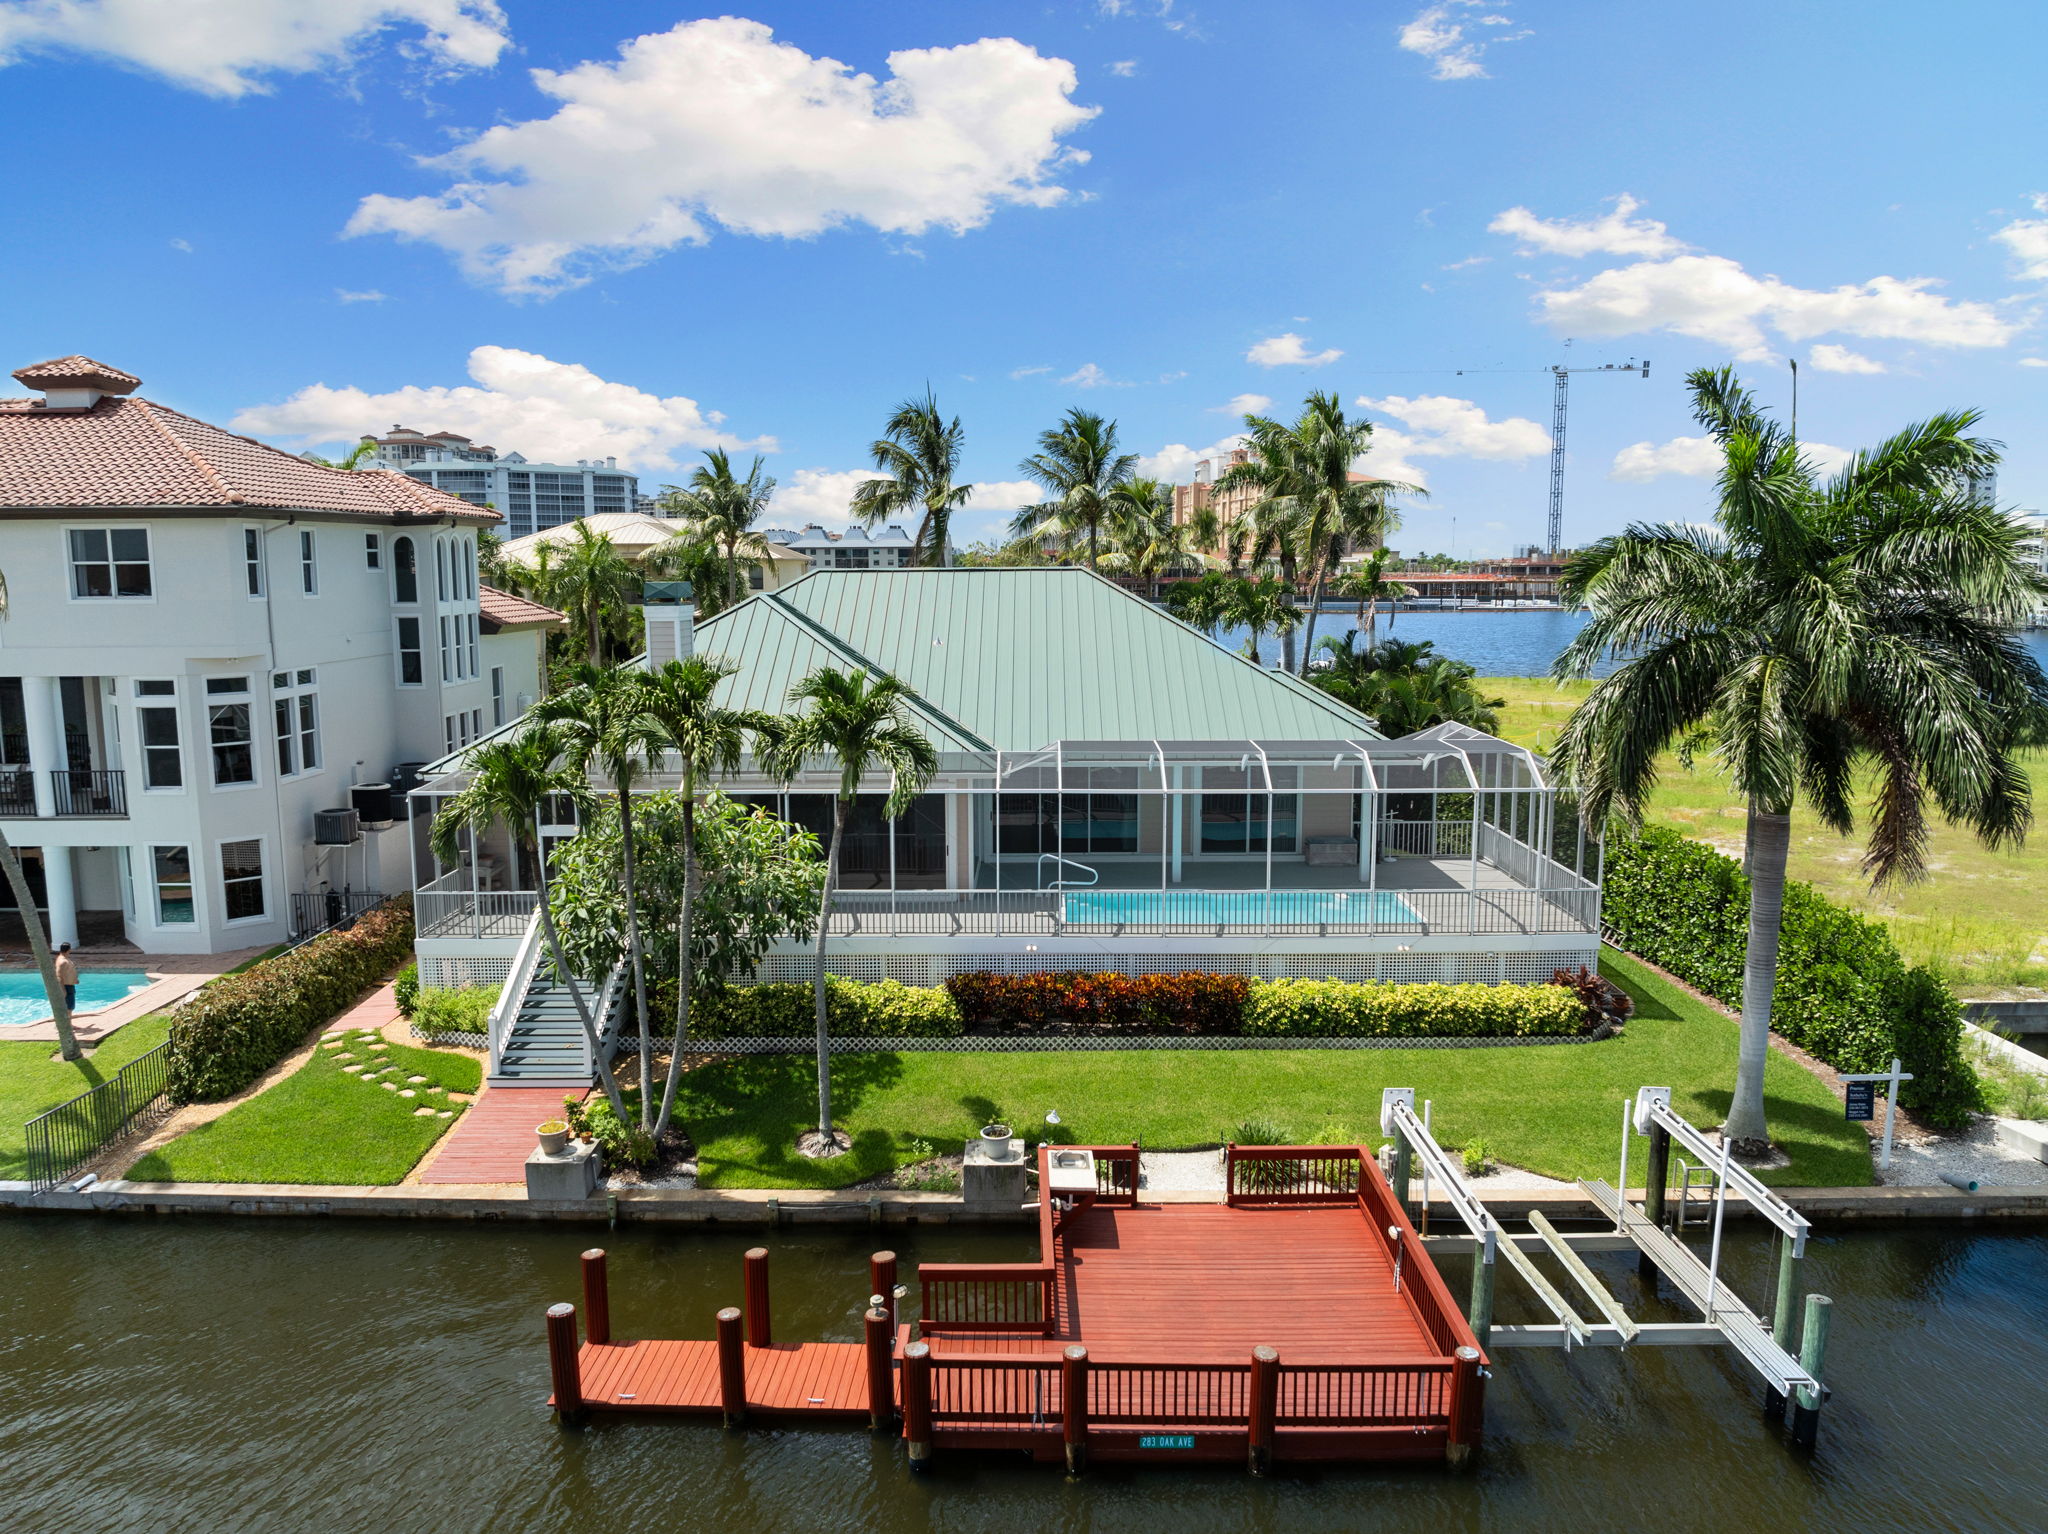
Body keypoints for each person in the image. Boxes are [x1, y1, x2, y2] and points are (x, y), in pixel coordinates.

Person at [53, 941, 77, 1014]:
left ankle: (69, 1024)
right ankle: (67, 1025)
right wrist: (62, 989)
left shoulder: (64, 959)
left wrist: (75, 979)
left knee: (70, 1007)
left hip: (69, 985)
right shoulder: (62, 961)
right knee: (69, 1007)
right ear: (69, 950)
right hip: (66, 986)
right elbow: (58, 975)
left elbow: (67, 972)